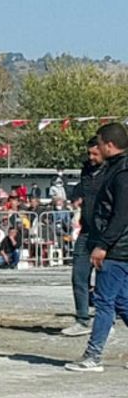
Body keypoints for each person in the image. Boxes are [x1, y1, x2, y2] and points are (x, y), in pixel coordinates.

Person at [66, 123, 128, 372]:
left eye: (100, 143)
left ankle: (93, 356)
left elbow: (122, 215)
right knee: (122, 301)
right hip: (118, 245)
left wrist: (102, 245)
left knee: (103, 303)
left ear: (110, 145)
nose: (97, 147)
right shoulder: (114, 169)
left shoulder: (122, 173)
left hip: (117, 247)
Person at [62, 137, 104, 336]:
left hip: (106, 232)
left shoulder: (115, 171)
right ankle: (82, 319)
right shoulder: (86, 170)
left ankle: (107, 319)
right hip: (86, 231)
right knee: (78, 275)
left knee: (107, 279)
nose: (91, 157)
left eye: (95, 153)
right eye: (89, 153)